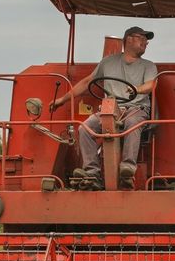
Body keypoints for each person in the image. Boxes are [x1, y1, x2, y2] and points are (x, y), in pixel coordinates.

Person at [50, 26, 158, 186]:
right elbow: (87, 82)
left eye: (146, 40)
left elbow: (151, 85)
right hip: (110, 109)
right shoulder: (108, 62)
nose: (146, 43)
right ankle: (92, 173)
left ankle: (127, 170)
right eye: (142, 38)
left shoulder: (149, 66)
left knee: (133, 124)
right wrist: (62, 100)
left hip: (137, 108)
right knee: (84, 129)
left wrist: (137, 89)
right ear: (129, 39)